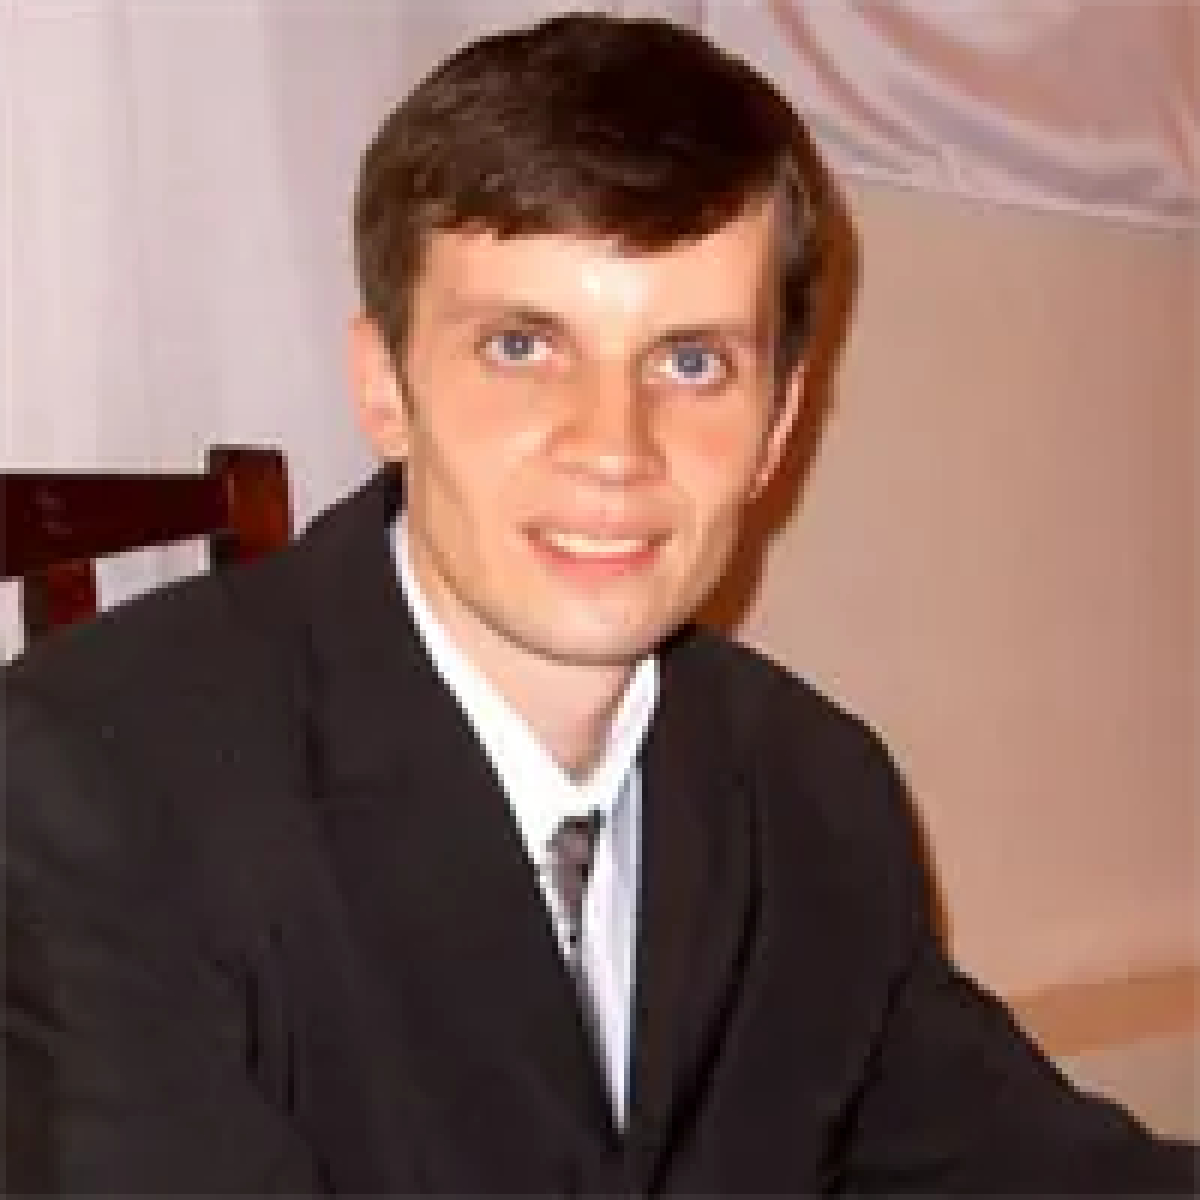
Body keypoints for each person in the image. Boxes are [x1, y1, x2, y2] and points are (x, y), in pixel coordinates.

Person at [3, 13, 1195, 1195]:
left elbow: (1033, 1171)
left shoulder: (812, 792)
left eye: (691, 362)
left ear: (779, 427)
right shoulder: (92, 792)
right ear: (385, 387)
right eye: (523, 347)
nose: (614, 448)